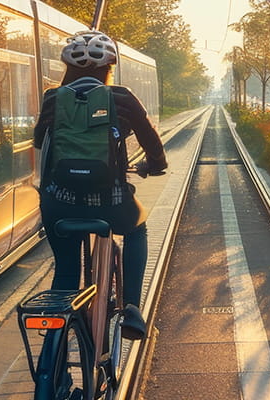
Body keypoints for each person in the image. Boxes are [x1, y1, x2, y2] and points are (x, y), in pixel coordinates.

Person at [32, 30, 166, 340]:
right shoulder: (121, 97)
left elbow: (40, 140)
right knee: (137, 228)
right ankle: (132, 306)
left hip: (58, 204)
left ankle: (54, 354)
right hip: (111, 203)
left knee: (66, 271)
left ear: (68, 67)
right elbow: (152, 144)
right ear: (110, 67)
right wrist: (154, 166)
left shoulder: (53, 97)